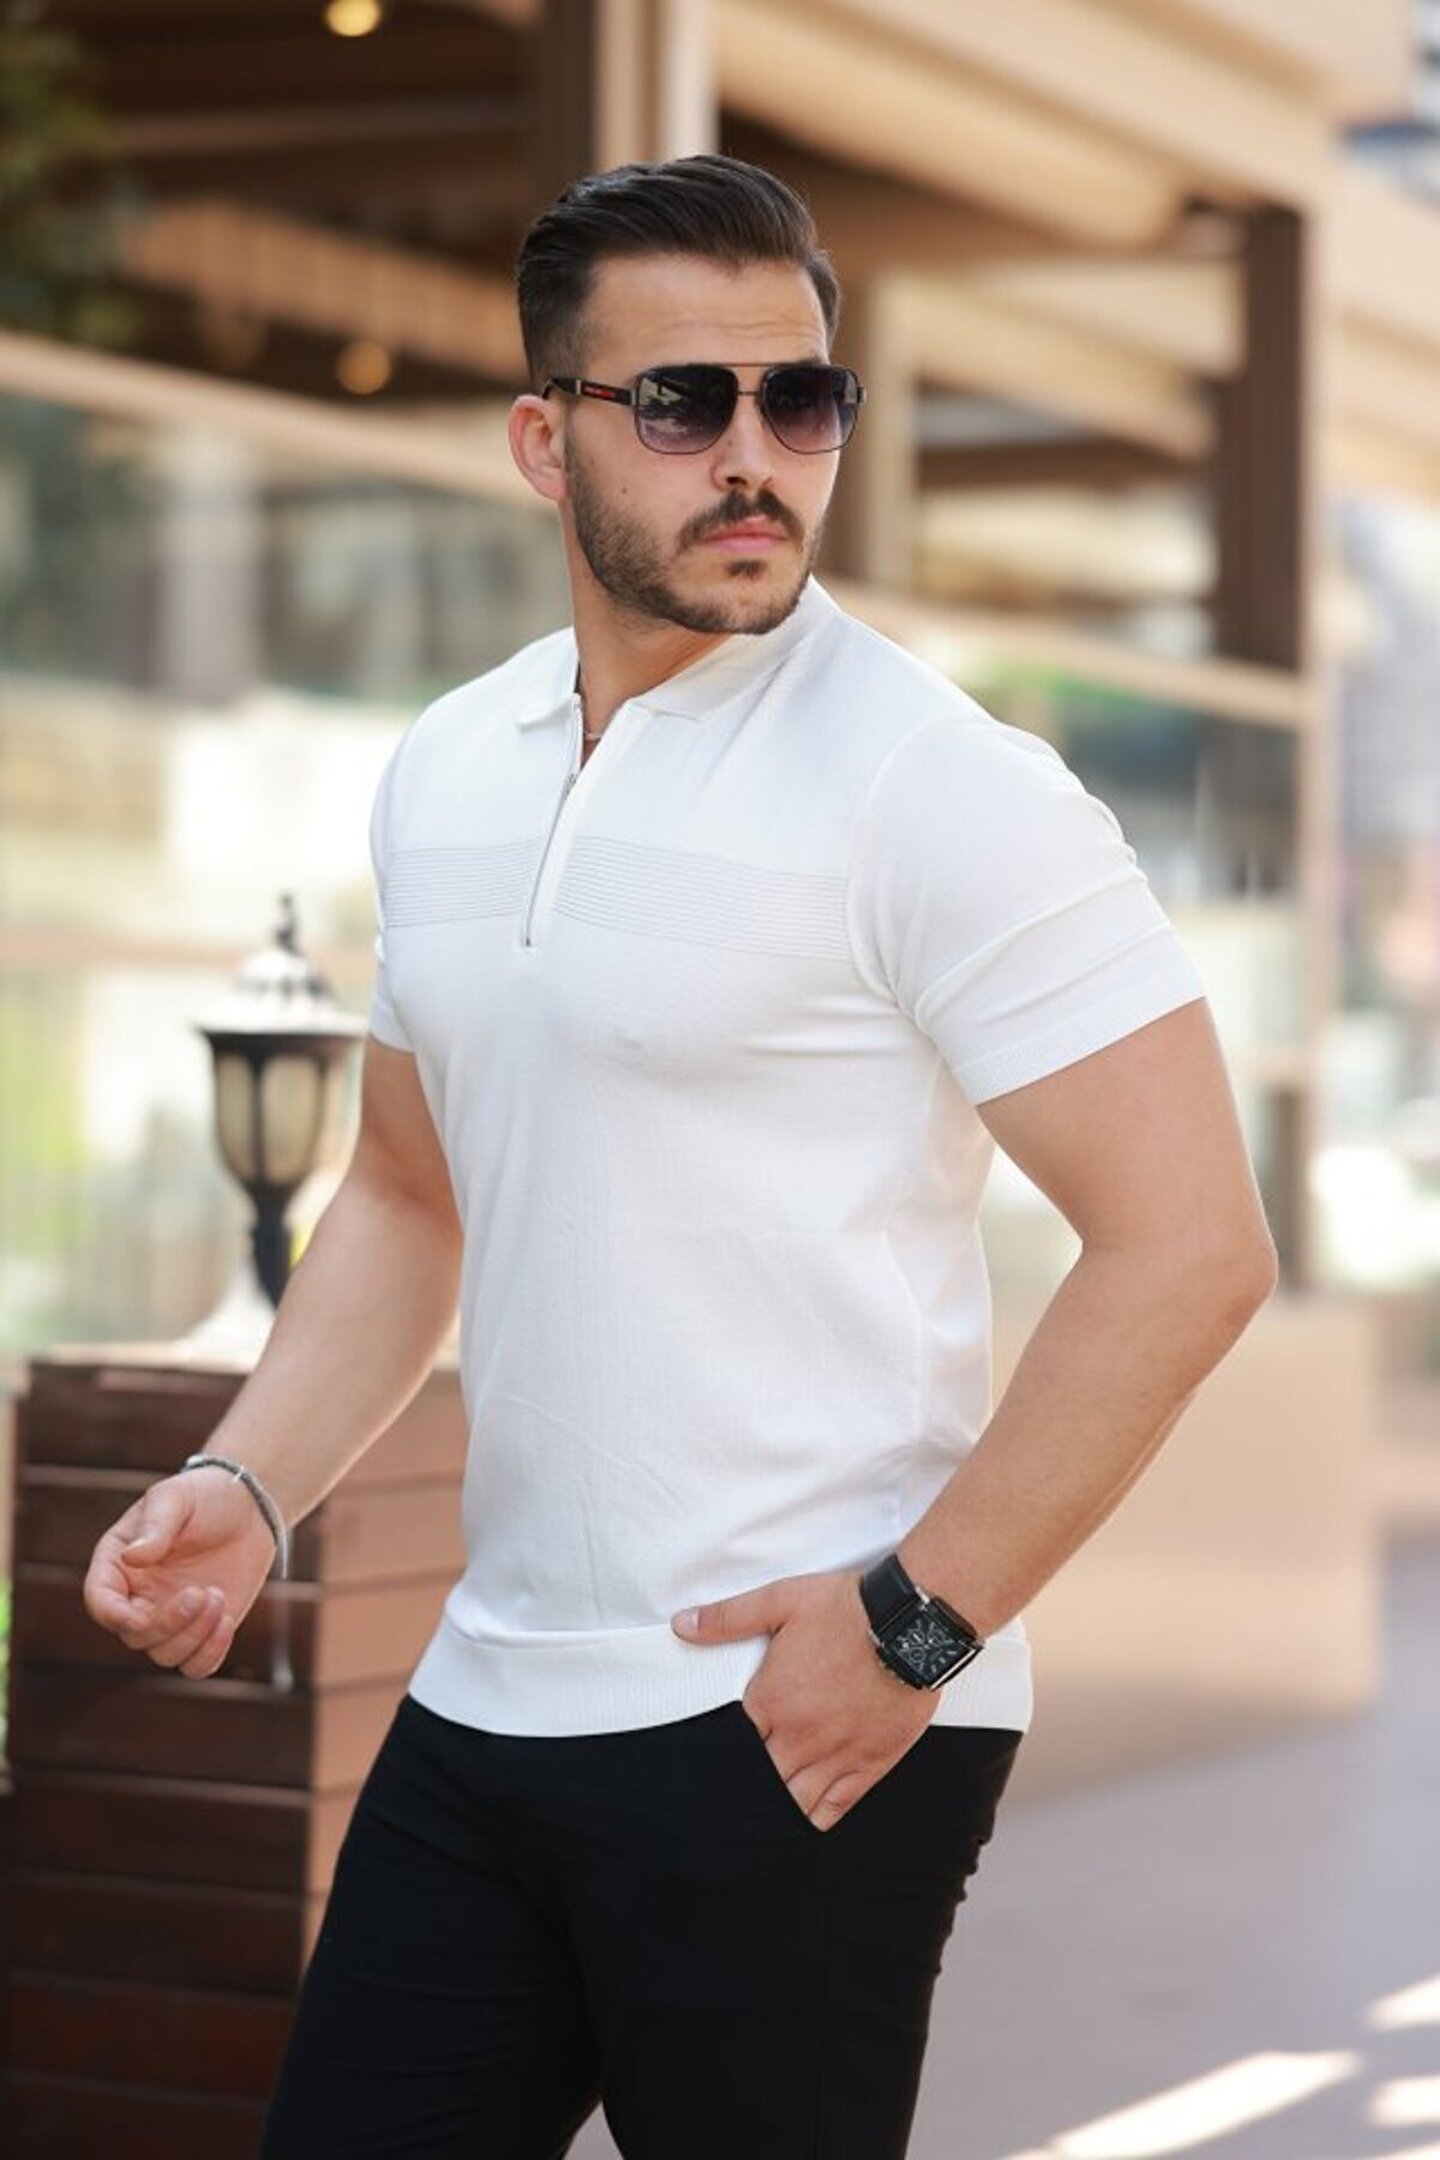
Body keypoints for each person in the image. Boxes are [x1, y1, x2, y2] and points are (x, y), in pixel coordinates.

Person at [82, 153, 1278, 2159]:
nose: (753, 458)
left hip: (793, 1720)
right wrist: (251, 1479)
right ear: (541, 441)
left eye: (799, 401)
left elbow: (1190, 1245)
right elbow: (409, 1193)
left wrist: (913, 1630)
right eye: (681, 402)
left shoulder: (941, 787)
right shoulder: (448, 765)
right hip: (491, 1694)